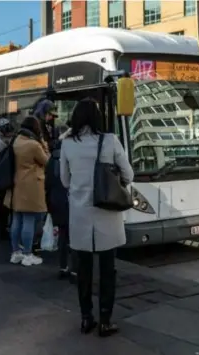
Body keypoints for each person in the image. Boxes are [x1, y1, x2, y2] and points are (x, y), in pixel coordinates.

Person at [60, 98, 133, 337]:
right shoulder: (110, 141)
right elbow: (129, 175)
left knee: (83, 270)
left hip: (80, 215)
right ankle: (105, 320)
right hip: (107, 214)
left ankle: (85, 318)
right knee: (107, 269)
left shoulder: (67, 144)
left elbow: (65, 180)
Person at [5, 116, 49, 267]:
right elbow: (46, 160)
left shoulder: (16, 141)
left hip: (16, 184)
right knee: (29, 220)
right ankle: (28, 254)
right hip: (31, 186)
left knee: (17, 219)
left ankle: (15, 252)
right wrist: (43, 142)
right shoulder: (34, 145)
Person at [46, 126, 75, 281]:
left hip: (56, 200)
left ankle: (63, 267)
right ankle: (75, 269)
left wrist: (49, 204)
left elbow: (48, 183)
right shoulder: (72, 156)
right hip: (71, 200)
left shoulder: (52, 158)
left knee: (63, 236)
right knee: (75, 236)